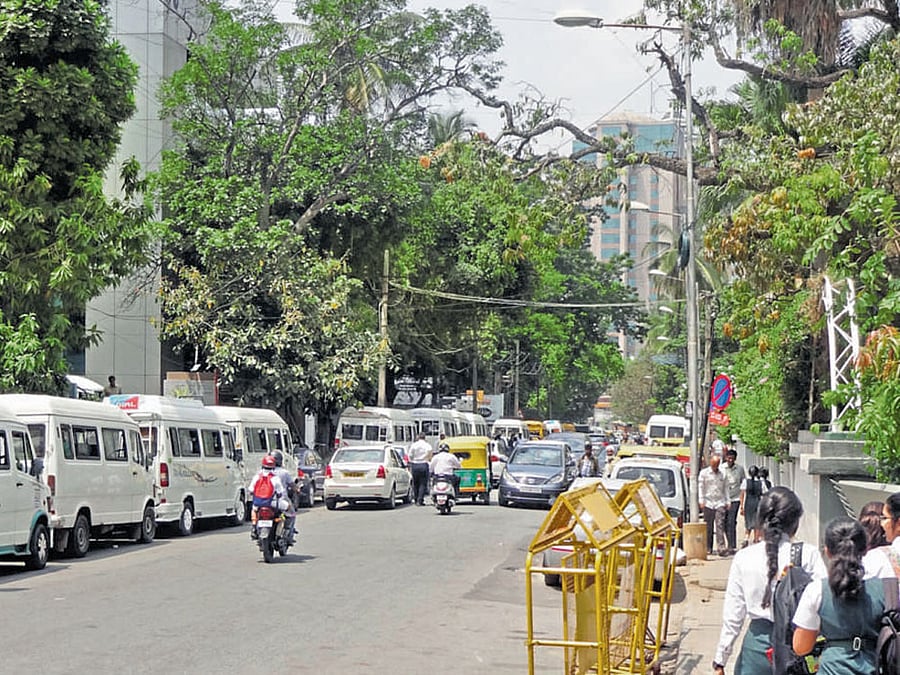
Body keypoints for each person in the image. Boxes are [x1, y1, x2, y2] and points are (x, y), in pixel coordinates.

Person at [713, 486, 827, 674]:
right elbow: (825, 603)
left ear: (760, 520)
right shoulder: (809, 554)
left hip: (756, 651)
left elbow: (733, 615)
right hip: (798, 647)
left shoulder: (744, 557)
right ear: (795, 522)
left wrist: (720, 659)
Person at [793, 517, 889, 674]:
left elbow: (801, 647)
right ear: (865, 549)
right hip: (874, 667)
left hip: (831, 669)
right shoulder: (888, 588)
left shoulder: (816, 590)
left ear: (827, 551)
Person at [248, 455, 290, 540]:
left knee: (254, 509)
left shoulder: (257, 477)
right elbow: (280, 492)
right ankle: (281, 533)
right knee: (287, 508)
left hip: (258, 503)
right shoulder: (275, 478)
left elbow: (250, 490)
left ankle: (253, 526)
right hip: (272, 503)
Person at [698, 453, 729, 557]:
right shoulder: (704, 473)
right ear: (711, 463)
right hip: (708, 502)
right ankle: (708, 548)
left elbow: (726, 488)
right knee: (708, 526)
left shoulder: (723, 473)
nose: (715, 466)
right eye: (713, 464)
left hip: (720, 501)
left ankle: (721, 547)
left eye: (717, 464)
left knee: (720, 524)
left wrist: (727, 501)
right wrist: (701, 500)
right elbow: (701, 487)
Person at [270, 450, 297, 543]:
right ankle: (289, 533)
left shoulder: (263, 472)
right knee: (292, 514)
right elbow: (292, 485)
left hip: (265, 500)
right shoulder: (284, 472)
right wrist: (297, 490)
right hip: (281, 500)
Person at [723, 449, 746, 552]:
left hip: (735, 498)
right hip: (724, 499)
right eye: (729, 458)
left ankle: (732, 545)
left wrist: (742, 500)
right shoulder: (721, 468)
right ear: (726, 458)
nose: (730, 460)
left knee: (731, 521)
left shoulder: (740, 469)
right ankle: (728, 541)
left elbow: (743, 483)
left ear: (735, 459)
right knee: (724, 522)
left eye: (732, 458)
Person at [739, 465, 767, 546]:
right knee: (757, 522)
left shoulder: (746, 481)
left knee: (748, 521)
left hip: (748, 503)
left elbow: (742, 494)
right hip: (758, 502)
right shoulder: (761, 482)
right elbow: (765, 493)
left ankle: (746, 538)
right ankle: (756, 539)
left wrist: (741, 506)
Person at [407, 433, 433, 506]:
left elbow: (410, 455)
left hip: (415, 464)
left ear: (418, 437)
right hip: (424, 464)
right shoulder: (427, 445)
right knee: (423, 483)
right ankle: (420, 500)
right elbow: (430, 455)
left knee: (415, 483)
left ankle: (416, 499)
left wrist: (412, 461)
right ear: (425, 437)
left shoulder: (414, 445)